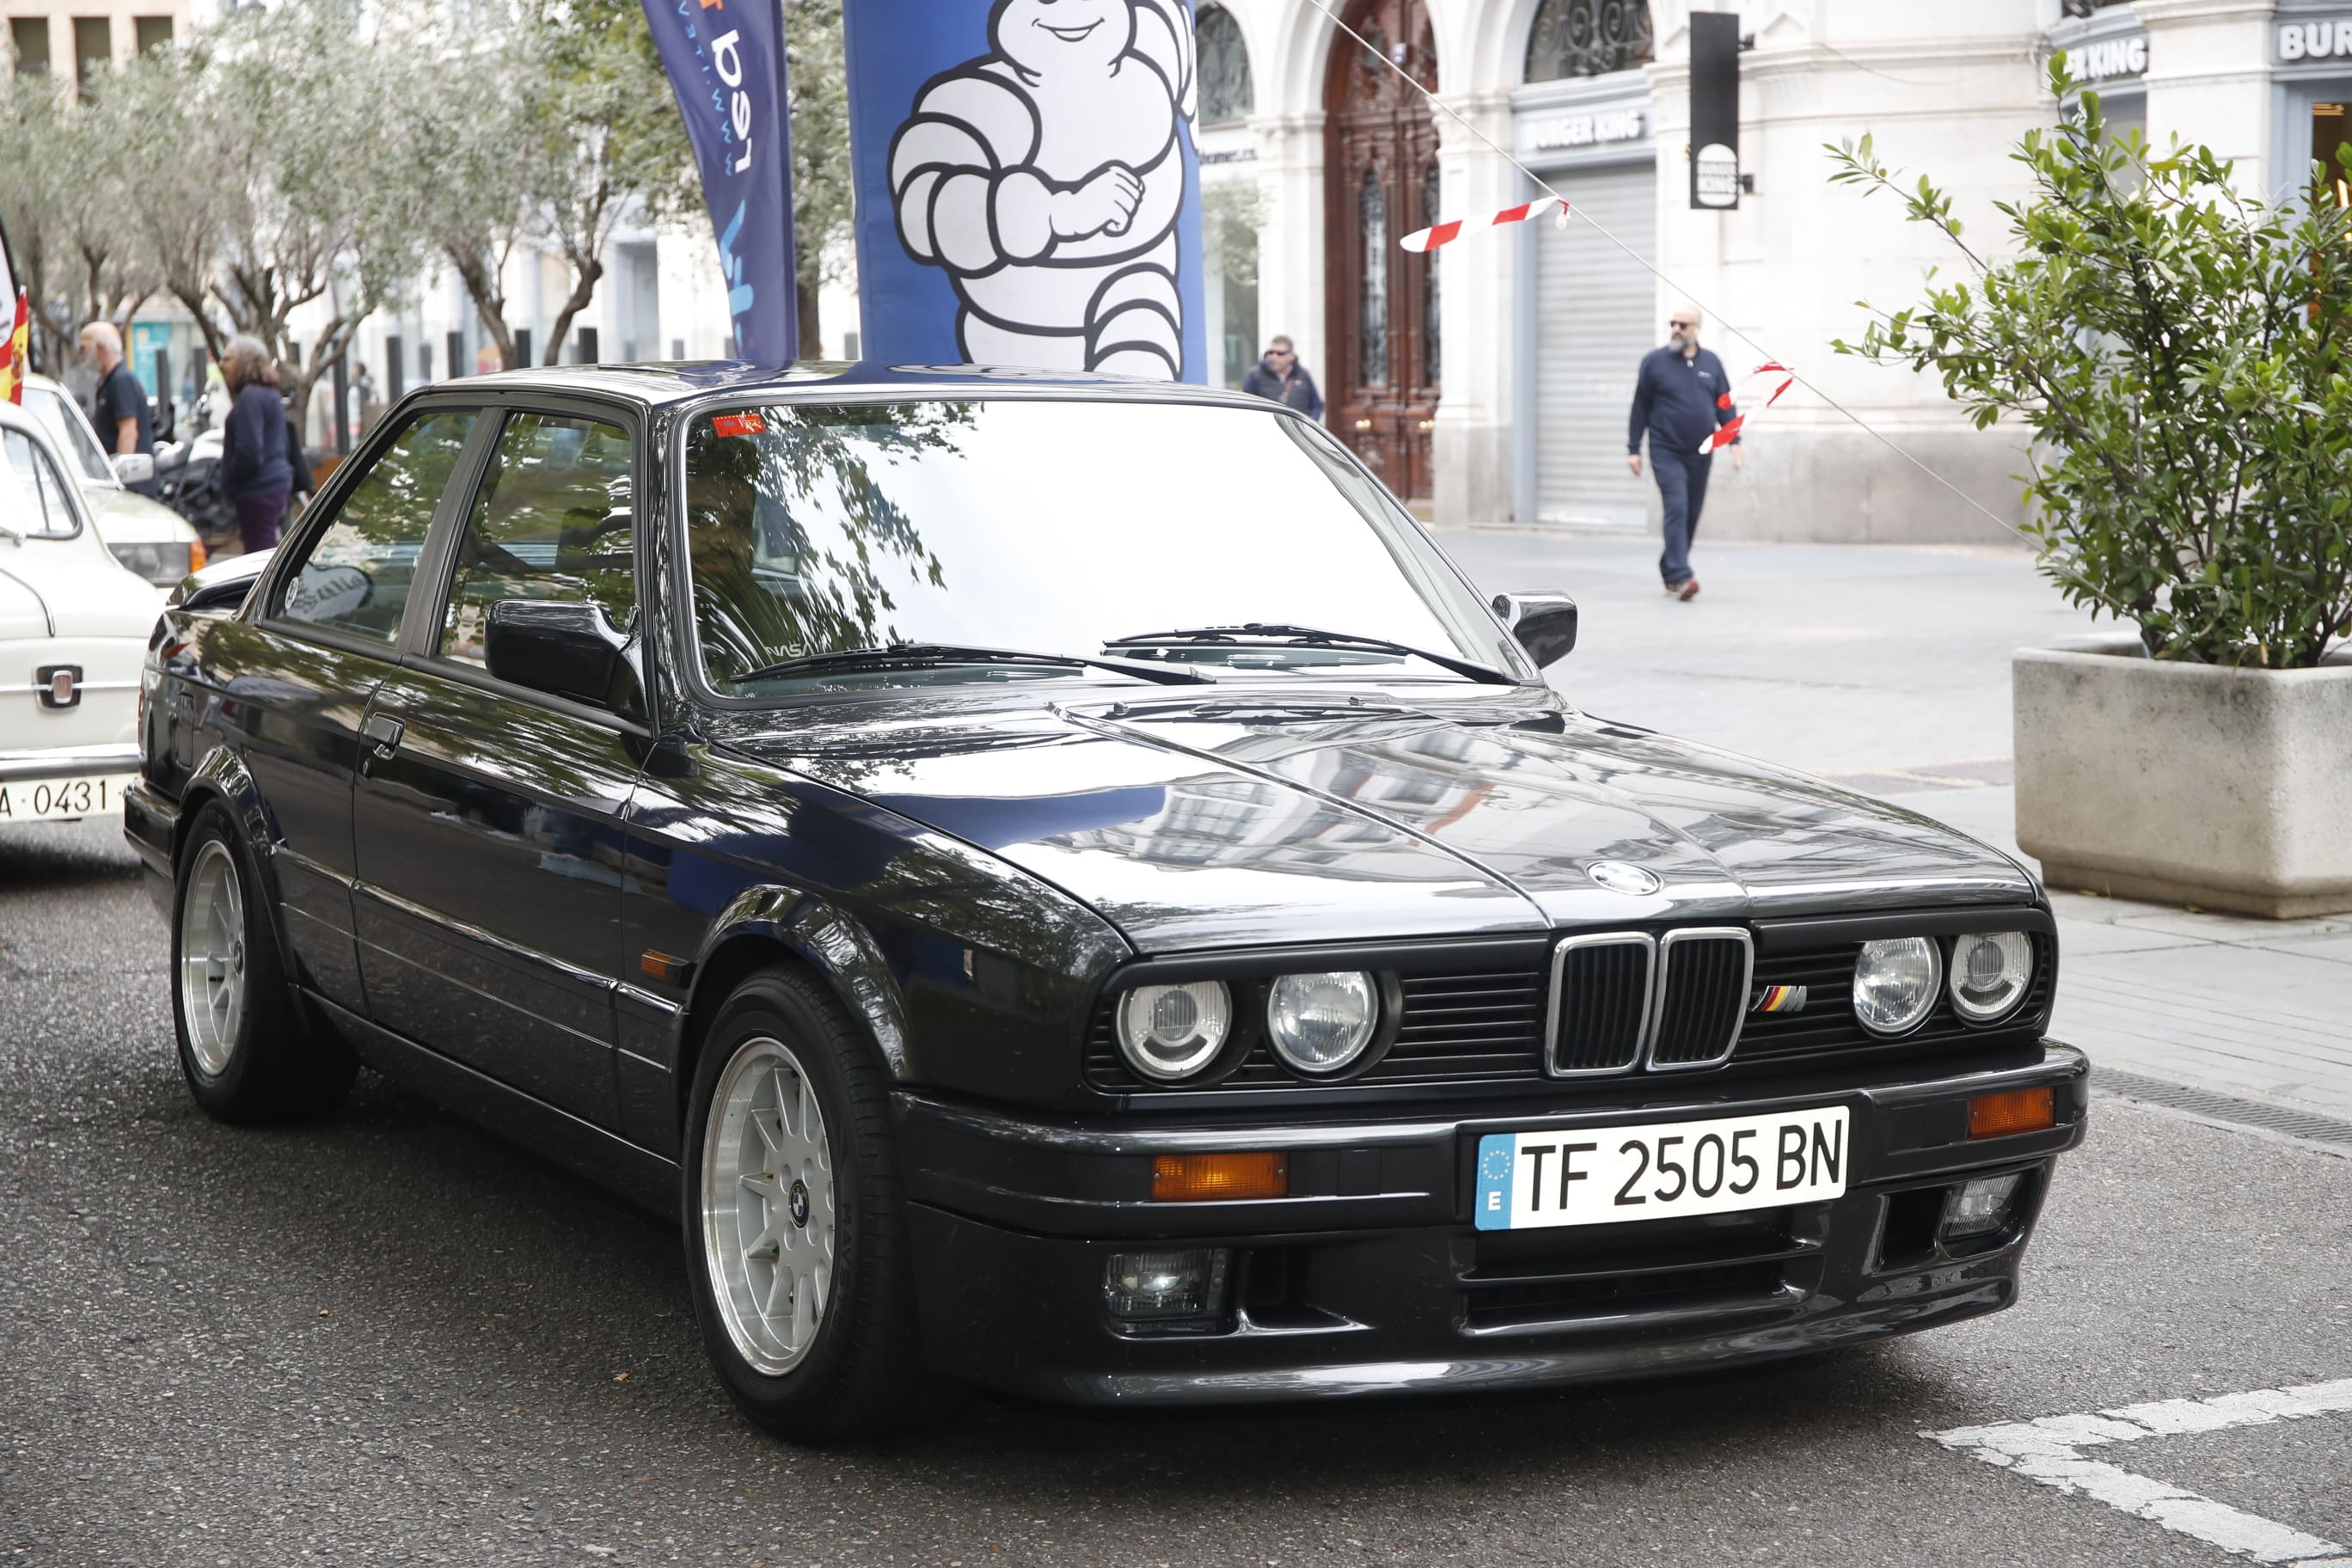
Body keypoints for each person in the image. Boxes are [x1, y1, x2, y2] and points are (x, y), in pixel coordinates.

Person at [1626, 303, 1743, 601]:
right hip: (1666, 449)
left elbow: (1725, 405)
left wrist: (1735, 441)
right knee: (1676, 507)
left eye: (1683, 325)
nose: (1676, 330)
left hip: (1702, 451)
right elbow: (1640, 406)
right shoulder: (1654, 362)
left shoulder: (1712, 363)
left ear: (1697, 329)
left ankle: (1669, 566)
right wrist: (1634, 448)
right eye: (1673, 324)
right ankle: (1680, 575)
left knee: (1690, 514)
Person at [218, 335, 295, 554]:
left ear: (245, 361)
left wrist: (230, 482)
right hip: (274, 487)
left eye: (228, 359)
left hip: (258, 491)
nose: (222, 364)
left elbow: (249, 453)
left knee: (258, 560)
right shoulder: (268, 394)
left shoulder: (250, 398)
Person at [77, 322, 157, 496]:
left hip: (133, 489)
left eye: (84, 348)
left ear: (100, 348)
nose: (80, 354)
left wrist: (120, 480)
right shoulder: (108, 382)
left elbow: (128, 431)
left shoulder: (121, 380)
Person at [1242, 336, 1324, 419]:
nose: (1274, 357)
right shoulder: (1254, 375)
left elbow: (1316, 405)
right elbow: (1246, 407)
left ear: (1291, 356)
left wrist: (1310, 423)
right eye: (1271, 353)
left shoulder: (1303, 374)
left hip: (1298, 429)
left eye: (1280, 353)